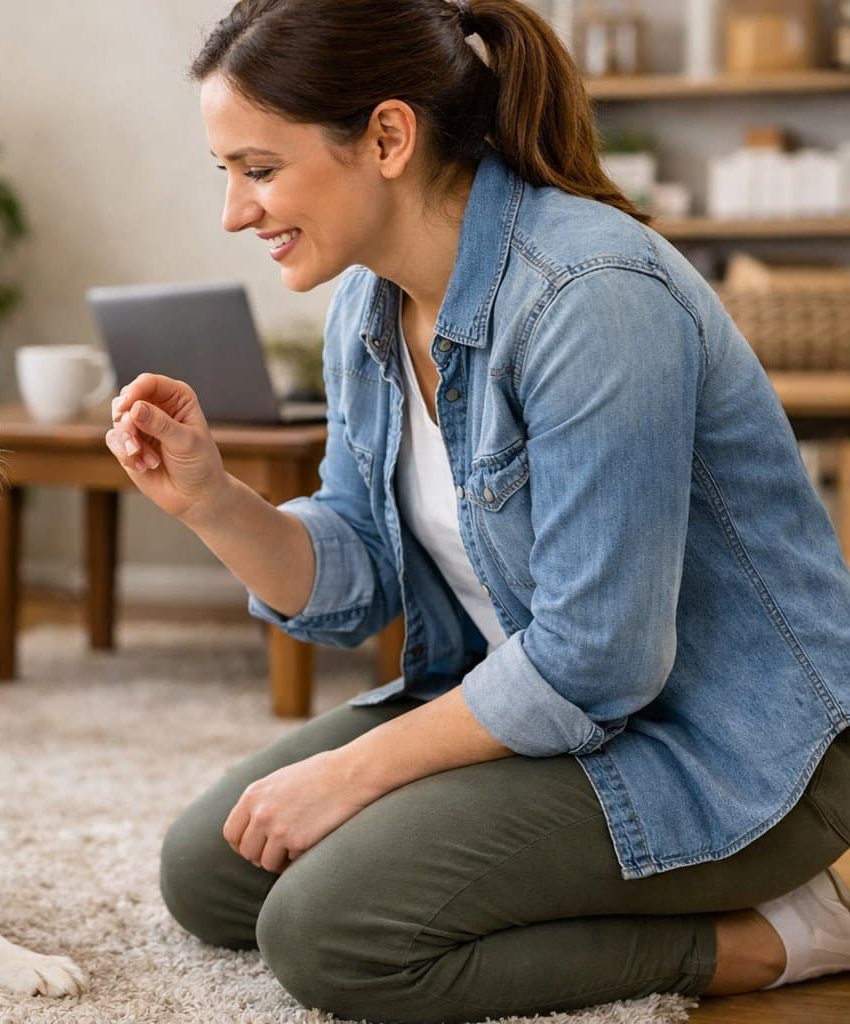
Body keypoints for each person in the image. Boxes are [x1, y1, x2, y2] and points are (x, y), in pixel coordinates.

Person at [102, 1, 850, 1021]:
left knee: (328, 932)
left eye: (260, 168)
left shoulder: (593, 296)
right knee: (212, 872)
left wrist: (355, 773)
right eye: (224, 172)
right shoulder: (366, 307)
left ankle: (777, 936)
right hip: (546, 715)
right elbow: (359, 565)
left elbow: (600, 659)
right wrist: (213, 501)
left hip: (730, 749)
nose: (235, 211)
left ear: (388, 138)